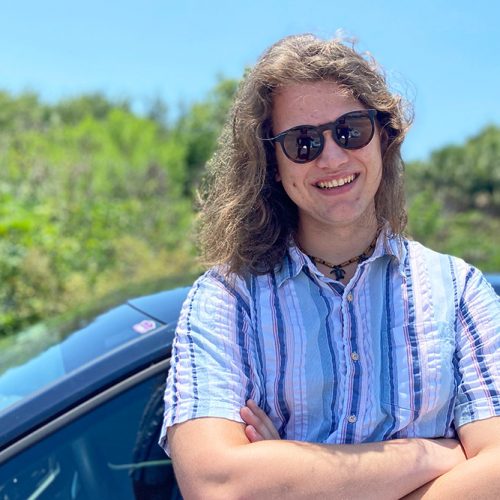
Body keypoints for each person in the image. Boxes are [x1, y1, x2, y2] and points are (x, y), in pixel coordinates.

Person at [159, 34, 500, 498]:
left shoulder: (459, 291)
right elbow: (218, 485)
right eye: (303, 142)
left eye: (350, 130)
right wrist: (432, 455)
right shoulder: (228, 298)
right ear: (273, 163)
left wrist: (289, 479)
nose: (333, 157)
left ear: (383, 136)